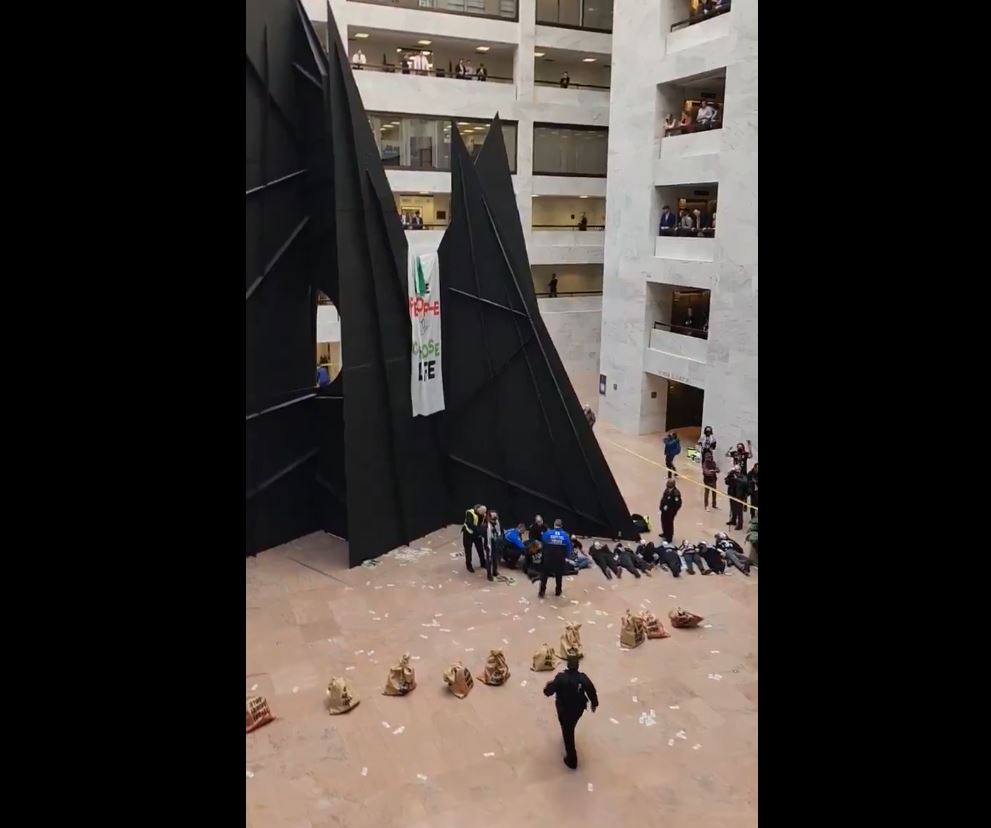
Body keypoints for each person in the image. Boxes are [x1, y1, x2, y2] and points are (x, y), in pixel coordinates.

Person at [543, 654, 598, 769]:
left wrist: (547, 687)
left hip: (564, 710)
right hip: (577, 710)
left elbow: (549, 691)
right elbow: (591, 690)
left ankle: (572, 760)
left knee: (568, 733)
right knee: (569, 727)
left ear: (568, 665)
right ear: (577, 666)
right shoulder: (583, 678)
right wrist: (594, 703)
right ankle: (568, 732)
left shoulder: (561, 678)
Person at [539, 519, 572, 598]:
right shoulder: (566, 536)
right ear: (561, 526)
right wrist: (566, 557)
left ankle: (542, 591)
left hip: (548, 558)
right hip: (559, 560)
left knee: (544, 575)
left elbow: (542, 543)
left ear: (554, 525)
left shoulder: (547, 533)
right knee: (559, 575)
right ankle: (558, 591)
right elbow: (569, 549)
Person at [462, 504, 487, 573]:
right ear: (478, 510)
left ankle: (483, 563)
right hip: (468, 534)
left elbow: (483, 523)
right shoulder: (470, 513)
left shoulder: (483, 514)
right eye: (482, 512)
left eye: (484, 512)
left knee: (480, 548)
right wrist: (480, 530)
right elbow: (470, 525)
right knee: (468, 549)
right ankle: (469, 565)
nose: (483, 514)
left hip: (477, 534)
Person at [483, 509, 504, 580]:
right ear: (489, 518)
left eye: (496, 518)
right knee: (489, 559)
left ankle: (495, 571)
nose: (495, 520)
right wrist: (488, 549)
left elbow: (500, 532)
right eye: (493, 519)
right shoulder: (486, 527)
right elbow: (487, 539)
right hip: (488, 544)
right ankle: (489, 574)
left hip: (495, 542)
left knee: (495, 558)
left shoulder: (497, 523)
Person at [725, 466, 748, 531]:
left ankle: (740, 524)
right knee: (733, 508)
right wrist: (729, 476)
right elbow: (727, 482)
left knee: (739, 511)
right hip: (732, 494)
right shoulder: (732, 475)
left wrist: (736, 478)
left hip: (739, 496)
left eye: (736, 471)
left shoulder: (742, 477)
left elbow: (745, 482)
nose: (736, 472)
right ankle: (733, 520)